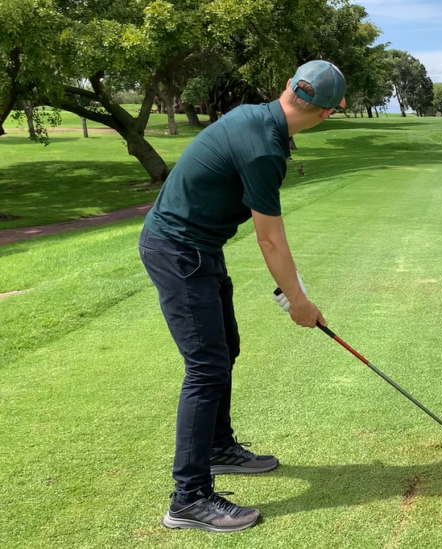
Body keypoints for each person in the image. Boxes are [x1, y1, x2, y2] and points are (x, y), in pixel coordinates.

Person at [138, 60, 346, 533]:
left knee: (224, 350)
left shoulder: (256, 116)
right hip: (177, 250)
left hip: (197, 248)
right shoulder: (264, 151)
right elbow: (269, 238)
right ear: (327, 112)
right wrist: (299, 303)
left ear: (288, 88)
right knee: (206, 367)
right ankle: (188, 498)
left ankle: (217, 447)